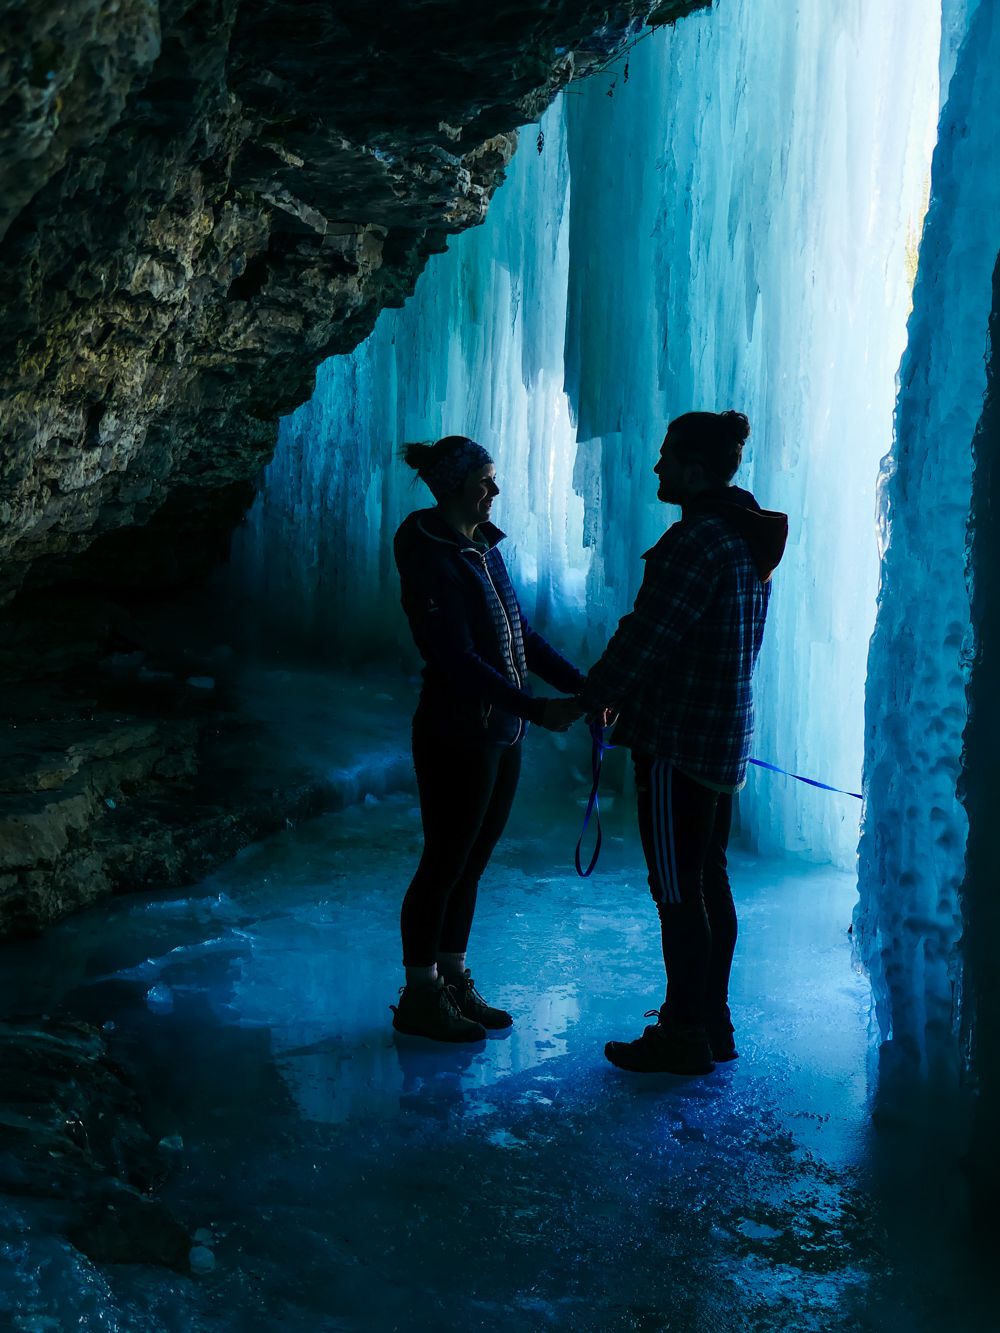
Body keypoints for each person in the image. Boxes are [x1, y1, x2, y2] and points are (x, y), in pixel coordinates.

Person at [575, 411, 788, 1074]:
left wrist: (591, 696)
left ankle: (683, 1029)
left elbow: (648, 635)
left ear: (695, 469)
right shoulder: (743, 540)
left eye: (668, 457)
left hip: (679, 742)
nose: (659, 468)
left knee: (675, 889)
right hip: (723, 740)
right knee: (707, 880)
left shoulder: (697, 542)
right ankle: (712, 1021)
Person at [390, 434, 584, 1043]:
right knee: (444, 862)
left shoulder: (482, 548)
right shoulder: (429, 553)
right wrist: (534, 705)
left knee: (470, 863)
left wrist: (587, 688)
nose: (495, 492)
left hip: (501, 731)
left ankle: (452, 977)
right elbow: (455, 657)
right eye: (485, 481)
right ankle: (420, 994)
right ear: (455, 486)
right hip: (457, 733)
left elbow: (519, 635)